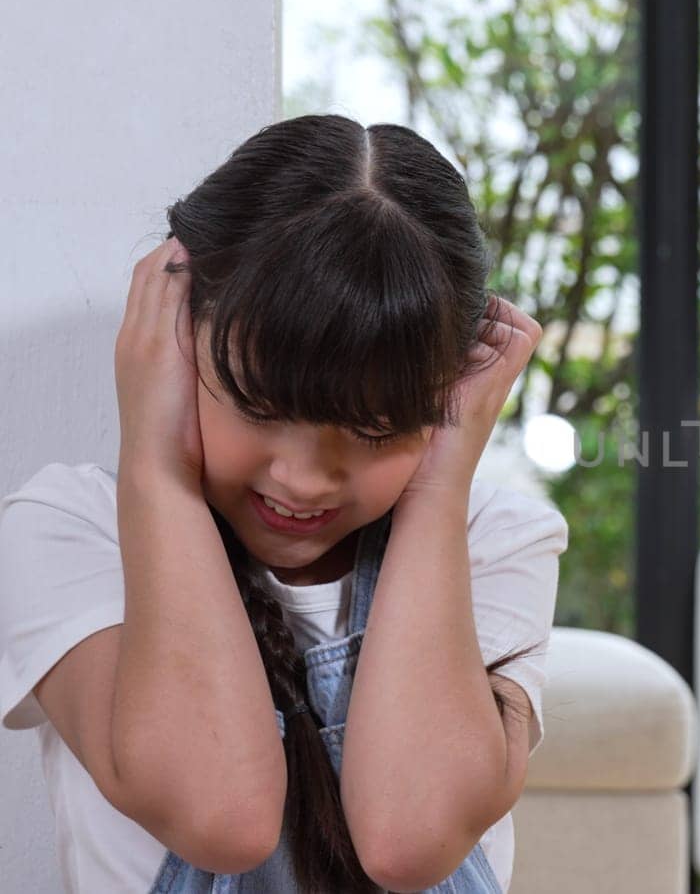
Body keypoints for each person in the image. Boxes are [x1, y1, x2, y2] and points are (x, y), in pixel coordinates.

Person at [0, 115, 567, 894]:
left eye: (375, 429)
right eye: (259, 408)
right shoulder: (70, 529)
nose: (303, 480)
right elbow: (221, 816)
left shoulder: (493, 539)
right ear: (176, 335)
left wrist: (439, 485)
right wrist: (156, 470)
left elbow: (409, 840)